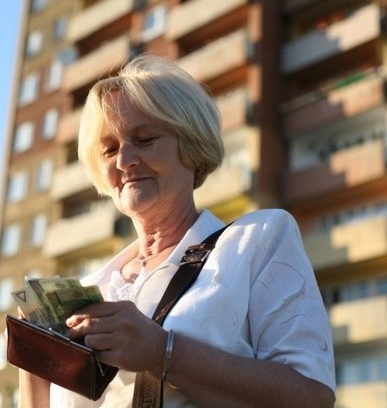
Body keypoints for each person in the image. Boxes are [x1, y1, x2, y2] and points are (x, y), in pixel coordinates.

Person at [18, 54, 336, 407]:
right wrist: (33, 364)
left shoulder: (256, 240)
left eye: (145, 138)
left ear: (192, 146)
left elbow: (312, 397)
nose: (124, 161)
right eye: (109, 149)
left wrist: (162, 352)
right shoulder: (94, 288)